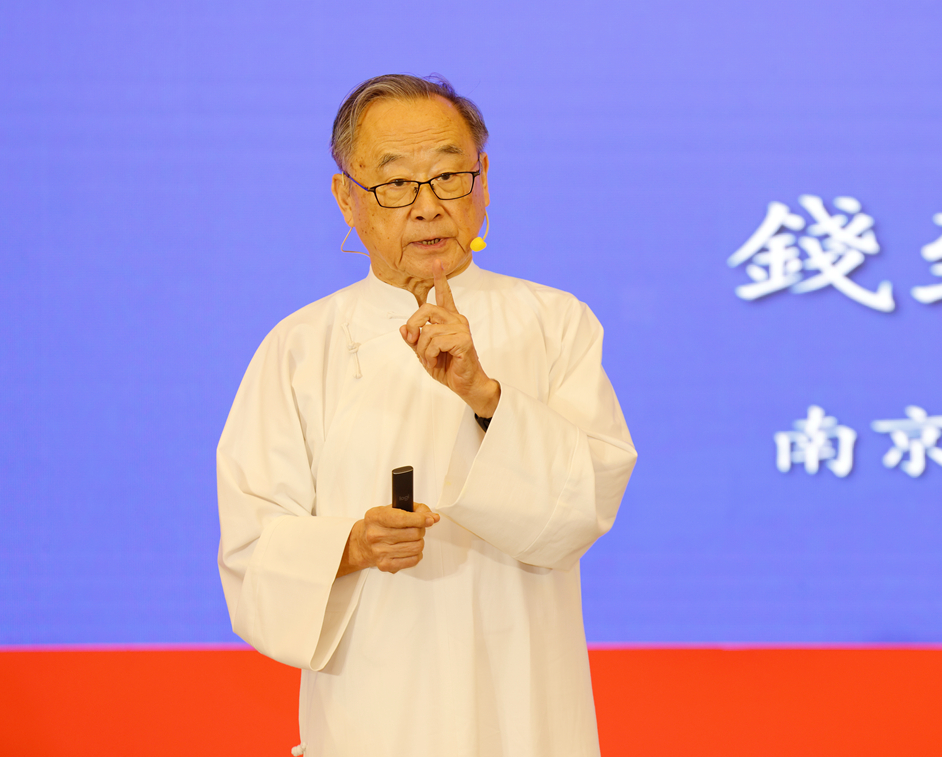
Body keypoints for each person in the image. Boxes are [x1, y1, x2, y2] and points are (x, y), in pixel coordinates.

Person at [216, 74, 636, 756]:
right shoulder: (298, 348)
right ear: (346, 198)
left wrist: (486, 397)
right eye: (395, 185)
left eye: (448, 177)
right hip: (372, 713)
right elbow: (249, 552)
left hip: (522, 708)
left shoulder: (556, 324)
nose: (428, 208)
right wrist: (352, 546)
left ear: (484, 180)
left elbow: (585, 505)